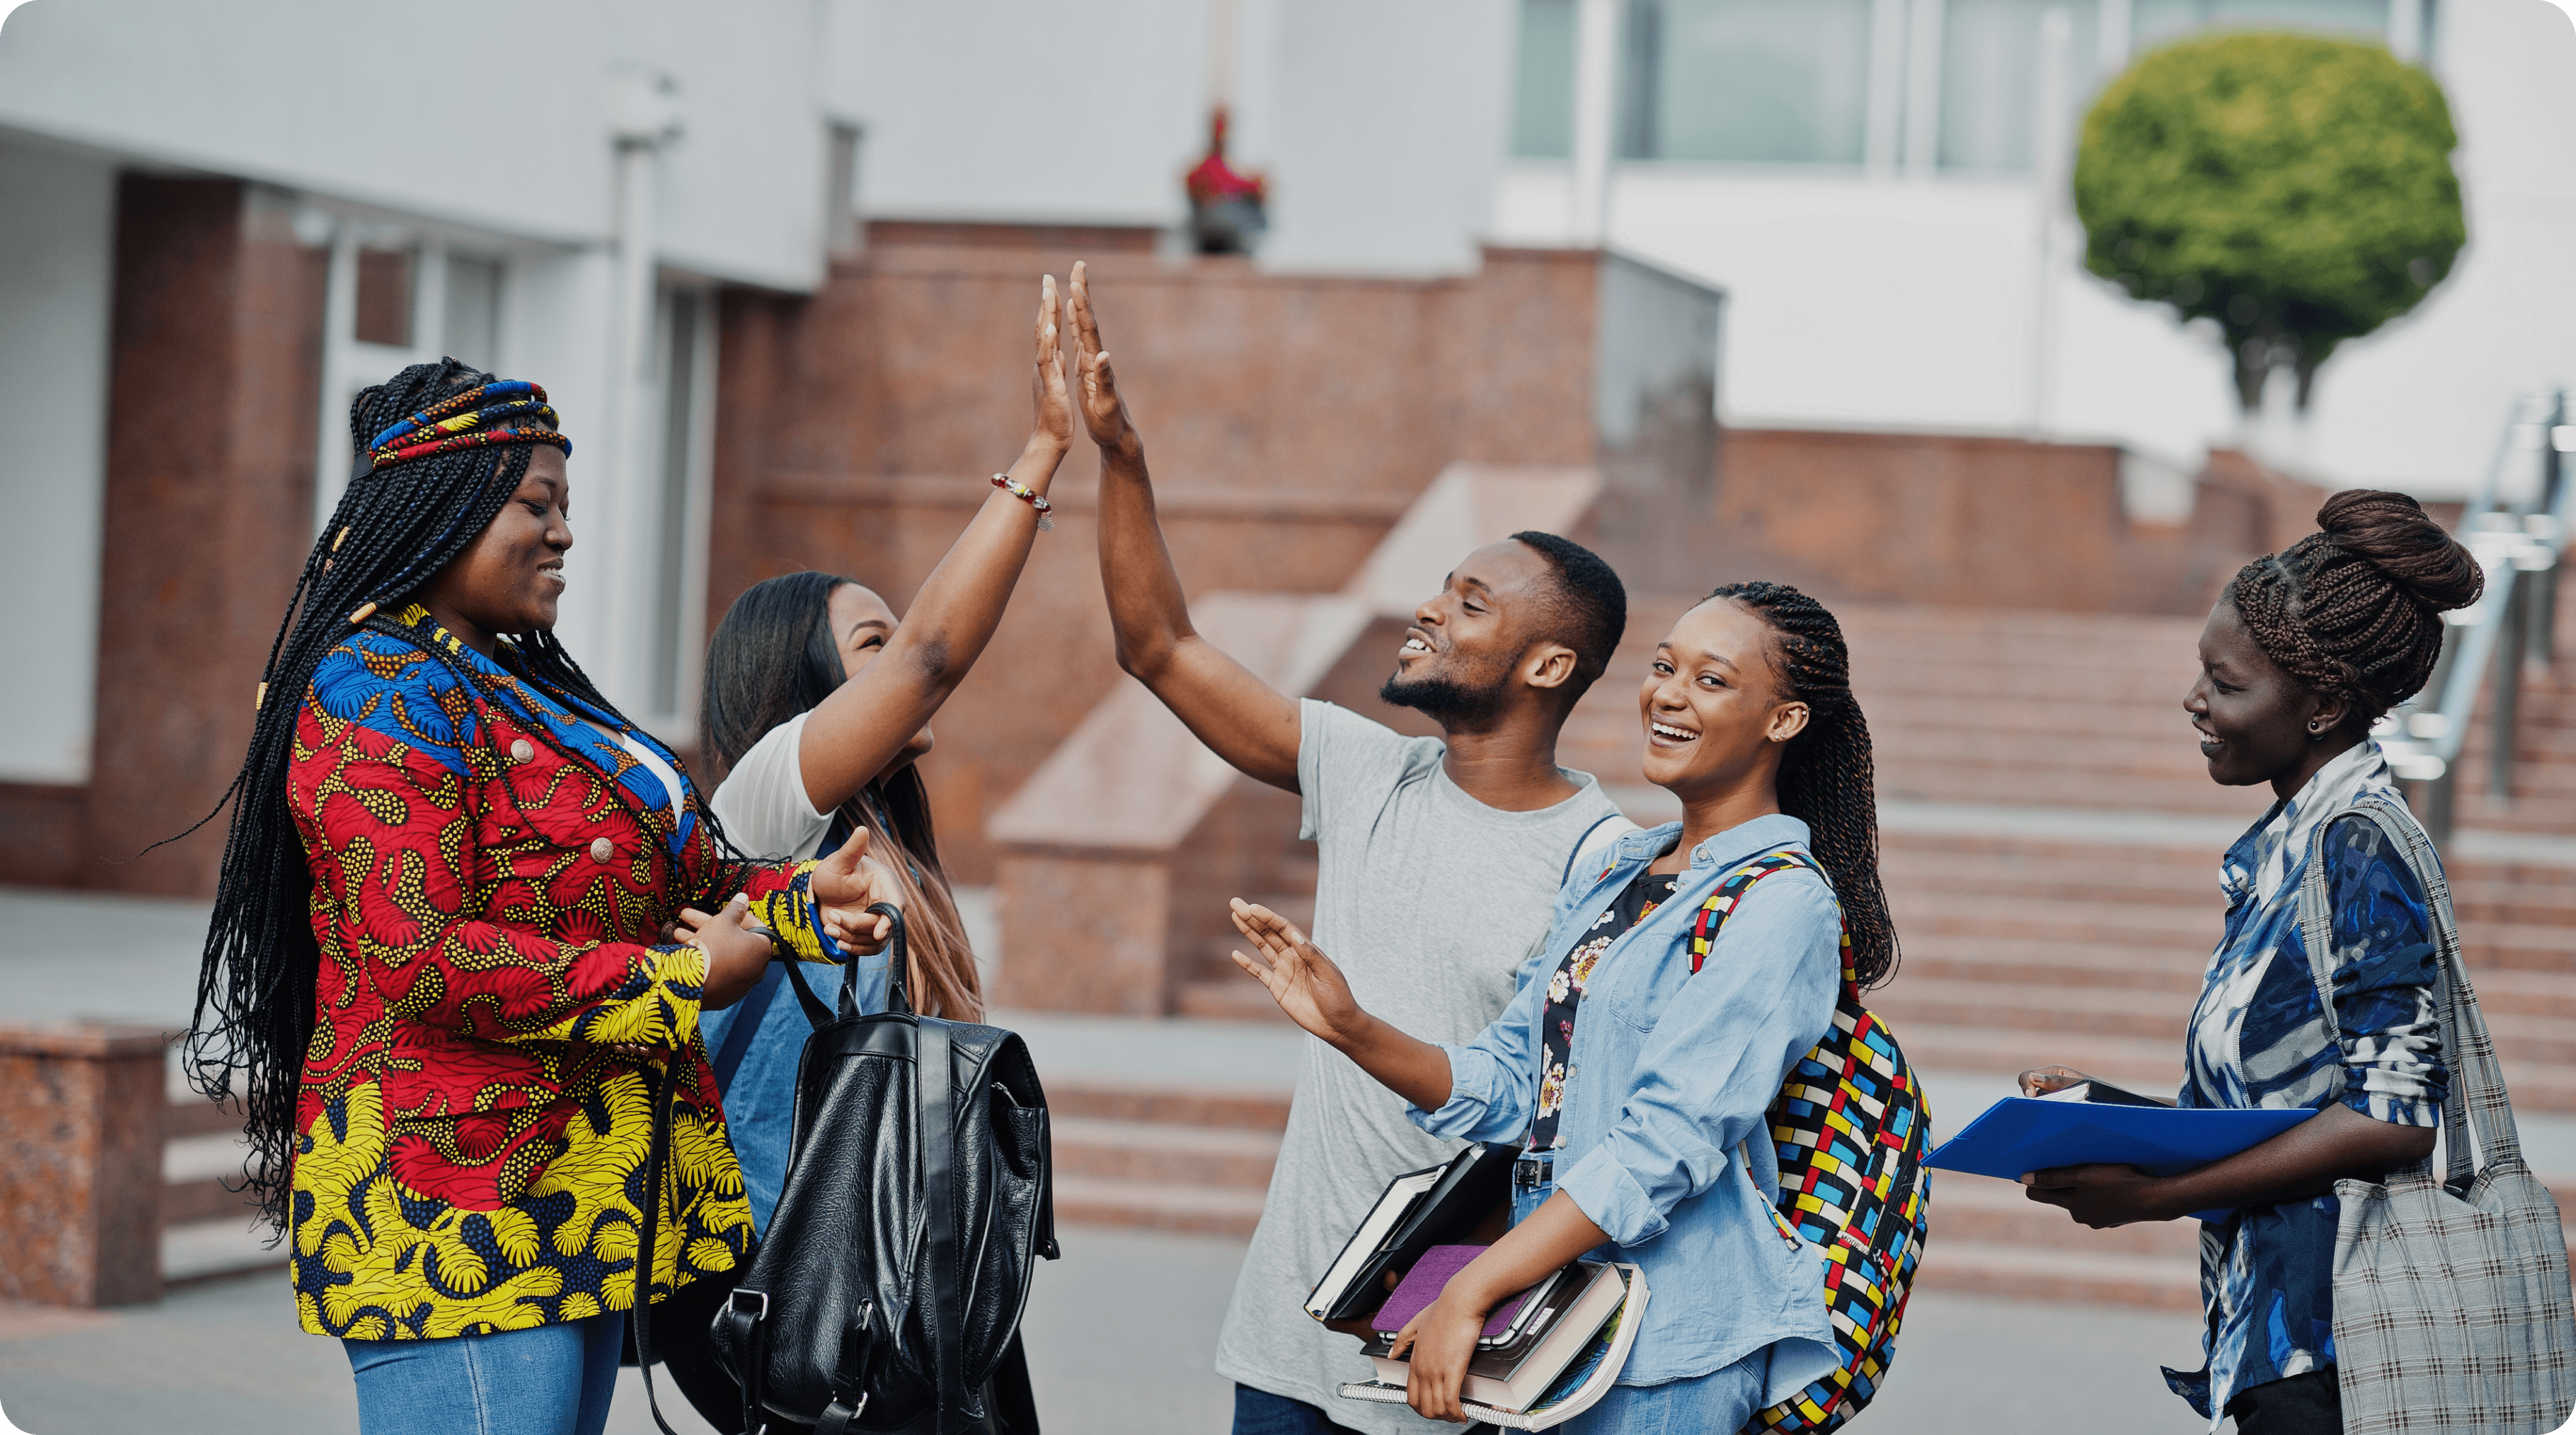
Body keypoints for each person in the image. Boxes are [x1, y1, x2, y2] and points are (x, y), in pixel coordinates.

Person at [181, 360, 897, 1435]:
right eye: (535, 505)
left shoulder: (525, 687)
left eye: (567, 507)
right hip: (450, 1212)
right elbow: (418, 951)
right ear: (446, 505)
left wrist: (804, 899)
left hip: (582, 1195)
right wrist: (682, 980)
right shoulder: (371, 686)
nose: (563, 533)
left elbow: (683, 876)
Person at [1065, 260, 1632, 1435]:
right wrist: (1121, 460)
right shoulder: (1372, 768)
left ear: (1546, 666)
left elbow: (1578, 1117)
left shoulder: (1603, 859)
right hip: (1291, 1337)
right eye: (1439, 589)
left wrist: (1474, 1293)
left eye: (1470, 603)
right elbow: (1160, 647)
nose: (1428, 610)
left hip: (1460, 1350)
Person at [1227, 581, 1899, 1431]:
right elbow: (1516, 1082)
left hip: (1668, 1355)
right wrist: (1353, 1028)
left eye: (1712, 680)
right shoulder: (1619, 870)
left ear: (1784, 722)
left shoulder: (1782, 904)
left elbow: (1668, 1142)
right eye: (1664, 667)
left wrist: (1473, 1287)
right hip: (1553, 1323)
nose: (1668, 695)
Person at [2016, 490, 2481, 1434]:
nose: (2196, 700)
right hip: (2273, 1329)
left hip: (2336, 1341)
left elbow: (2393, 1121)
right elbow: (2284, 1106)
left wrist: (2157, 1198)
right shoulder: (2289, 847)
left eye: (2226, 685)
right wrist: (2111, 1113)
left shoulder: (2358, 845)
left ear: (2325, 706)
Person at [693, 272, 1072, 1230]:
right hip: (777, 1278)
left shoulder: (889, 839)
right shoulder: (766, 810)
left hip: (887, 1262)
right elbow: (935, 659)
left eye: (898, 636)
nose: (904, 657)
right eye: (876, 646)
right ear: (806, 688)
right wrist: (1044, 451)